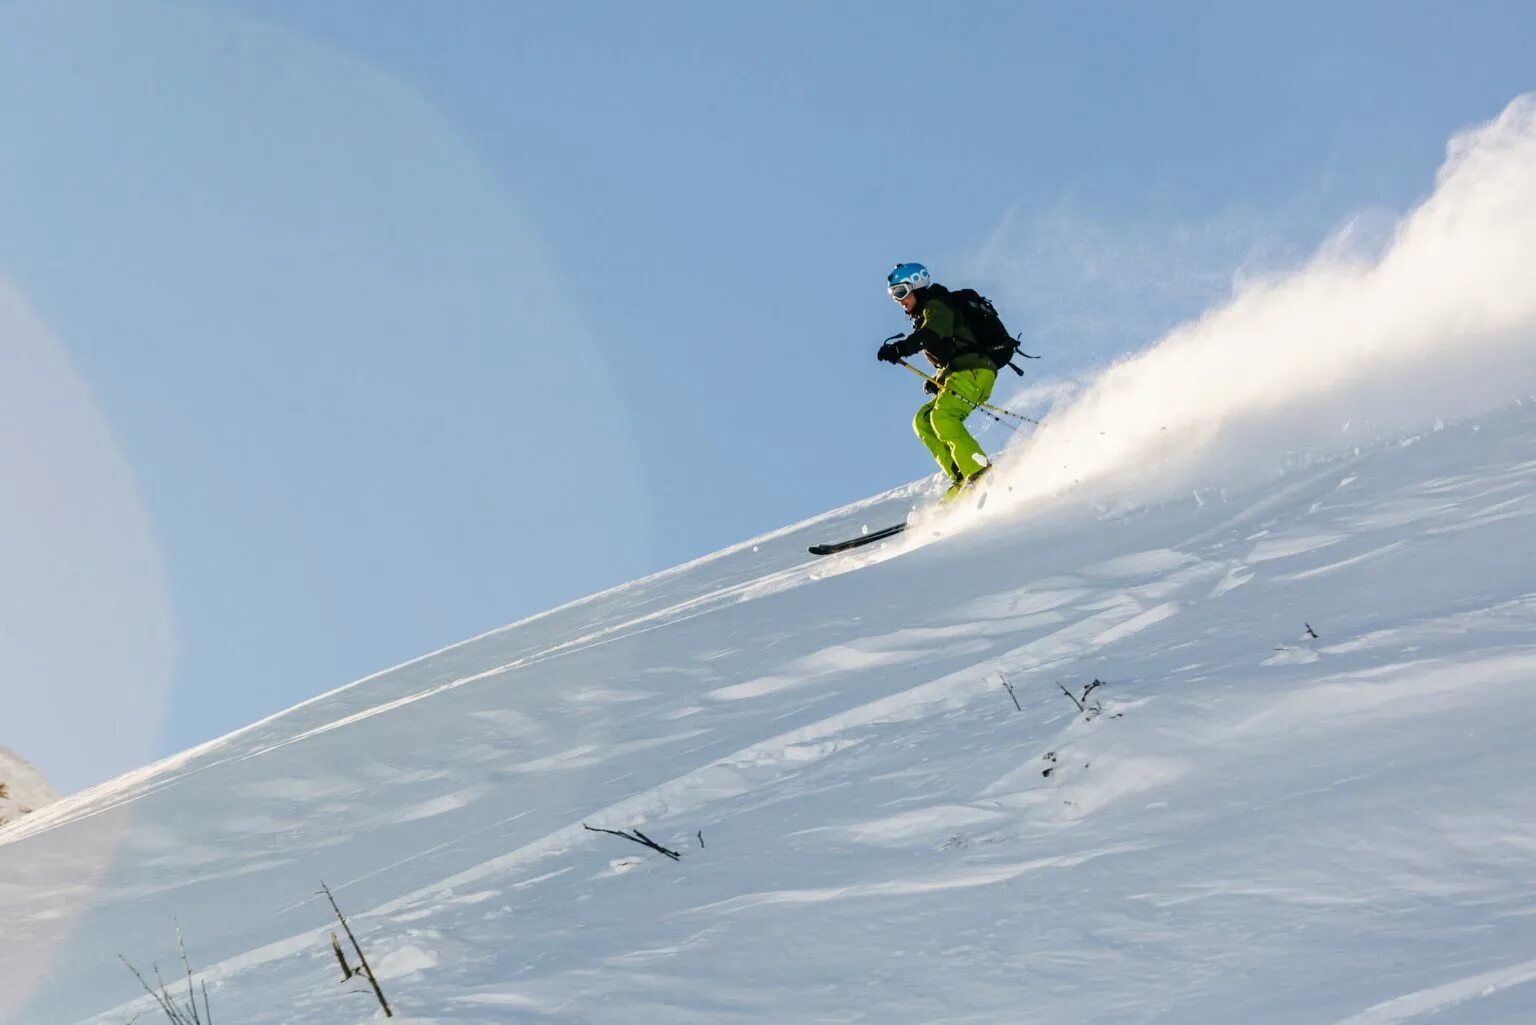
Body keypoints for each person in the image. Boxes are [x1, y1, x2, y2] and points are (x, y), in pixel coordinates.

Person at [876, 263, 997, 501]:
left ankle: (979, 473)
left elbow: (933, 332)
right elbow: (953, 351)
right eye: (894, 296)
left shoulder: (937, 304)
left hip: (975, 371)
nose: (899, 301)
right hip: (963, 373)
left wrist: (902, 347)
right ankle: (961, 476)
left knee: (942, 417)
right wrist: (938, 378)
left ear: (917, 286)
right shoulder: (926, 313)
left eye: (901, 292)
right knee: (922, 421)